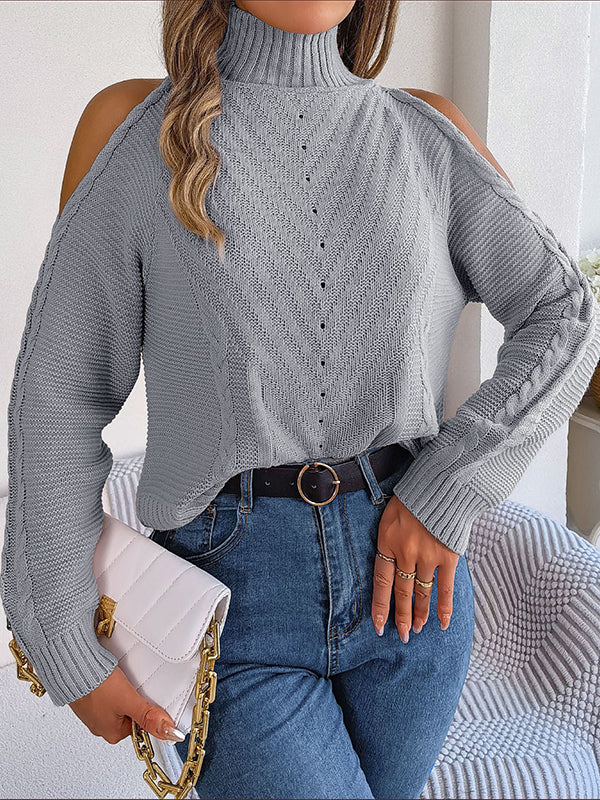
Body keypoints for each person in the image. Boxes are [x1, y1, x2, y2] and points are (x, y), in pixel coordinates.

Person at [2, 0, 600, 797]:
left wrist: (447, 490)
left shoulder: (427, 133)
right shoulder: (134, 129)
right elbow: (59, 395)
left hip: (413, 600)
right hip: (231, 605)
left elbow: (565, 313)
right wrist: (61, 635)